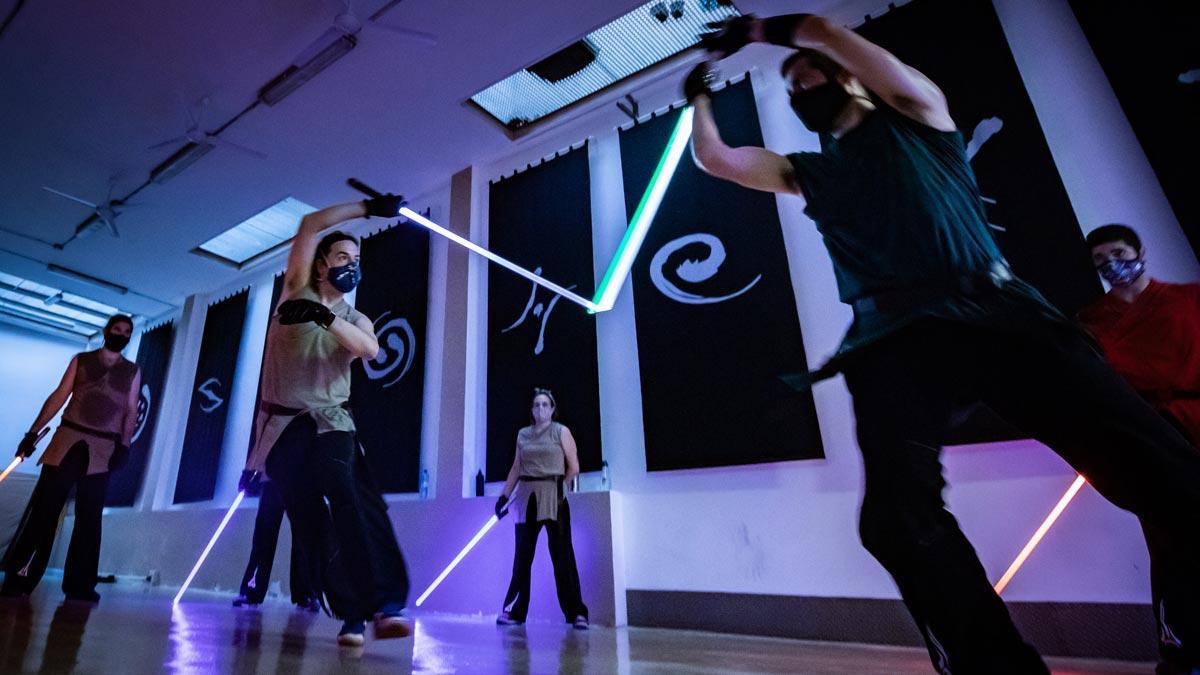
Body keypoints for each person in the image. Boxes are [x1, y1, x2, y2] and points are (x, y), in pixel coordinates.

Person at [690, 13, 1200, 674]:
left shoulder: (918, 115)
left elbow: (821, 30)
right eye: (795, 85)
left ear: (858, 82)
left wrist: (759, 32)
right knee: (895, 519)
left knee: (1158, 466)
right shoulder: (810, 172)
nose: (805, 81)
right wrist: (700, 95)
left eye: (815, 72)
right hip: (895, 340)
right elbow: (717, 159)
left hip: (997, 312)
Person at [246, 195, 411, 647]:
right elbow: (309, 223)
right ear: (320, 265)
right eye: (342, 257)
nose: (351, 266)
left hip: (332, 423)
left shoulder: (356, 318)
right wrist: (365, 207)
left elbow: (370, 350)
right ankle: (350, 613)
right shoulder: (294, 288)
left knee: (346, 497)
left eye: (356, 260)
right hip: (281, 431)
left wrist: (323, 318)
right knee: (308, 522)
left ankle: (382, 604)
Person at [2, 315, 140, 602]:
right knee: (44, 512)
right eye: (117, 330)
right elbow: (59, 396)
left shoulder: (132, 372)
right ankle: (20, 577)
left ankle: (80, 585)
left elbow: (130, 413)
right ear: (106, 331)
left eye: (127, 332)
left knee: (90, 519)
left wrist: (124, 447)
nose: (121, 335)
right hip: (68, 441)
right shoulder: (83, 360)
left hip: (102, 449)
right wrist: (32, 432)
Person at [1078, 224, 1200, 446]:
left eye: (1118, 253)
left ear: (1139, 252)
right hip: (1152, 431)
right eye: (1099, 258)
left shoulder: (1190, 298)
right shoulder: (1090, 321)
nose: (1110, 263)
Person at [494, 388, 589, 630]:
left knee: (562, 555)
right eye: (536, 405)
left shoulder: (561, 432)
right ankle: (515, 611)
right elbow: (516, 467)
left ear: (553, 408)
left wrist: (560, 486)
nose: (540, 409)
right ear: (531, 409)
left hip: (553, 496)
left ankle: (576, 612)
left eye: (545, 404)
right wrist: (504, 495)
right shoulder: (523, 434)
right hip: (526, 498)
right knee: (522, 556)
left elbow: (574, 465)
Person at [230, 473, 318, 611]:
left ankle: (305, 593)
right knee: (265, 536)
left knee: (299, 538)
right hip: (277, 474)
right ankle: (254, 590)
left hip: (299, 475)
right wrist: (248, 471)